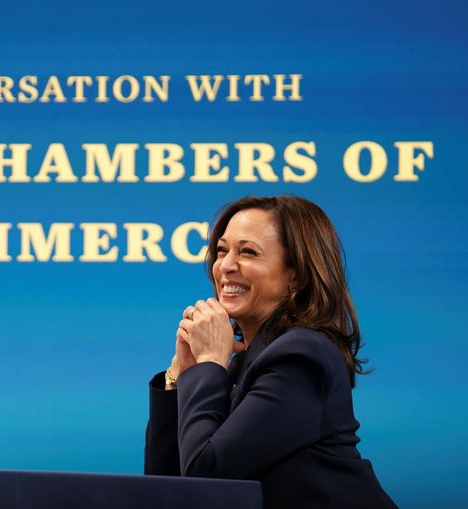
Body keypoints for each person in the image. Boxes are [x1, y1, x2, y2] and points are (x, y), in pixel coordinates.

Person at [144, 196, 397, 509]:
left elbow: (206, 478)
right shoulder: (238, 366)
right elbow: (162, 490)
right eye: (222, 250)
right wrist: (178, 375)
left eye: (248, 252)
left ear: (298, 276)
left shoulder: (302, 356)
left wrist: (209, 362)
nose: (225, 265)